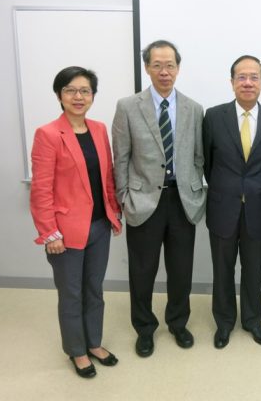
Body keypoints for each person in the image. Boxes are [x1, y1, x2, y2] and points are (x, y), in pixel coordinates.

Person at [112, 40, 205, 357]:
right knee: (142, 271)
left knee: (181, 270)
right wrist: (124, 197)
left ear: (178, 68)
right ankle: (145, 329)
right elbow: (120, 158)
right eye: (157, 65)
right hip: (143, 202)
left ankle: (178, 323)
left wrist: (195, 189)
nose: (164, 71)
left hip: (182, 201)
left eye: (170, 65)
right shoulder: (128, 106)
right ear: (147, 67)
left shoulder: (194, 108)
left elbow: (197, 156)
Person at [30, 66, 122, 378]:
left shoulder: (98, 129)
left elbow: (106, 175)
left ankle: (94, 342)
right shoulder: (48, 134)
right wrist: (48, 232)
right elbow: (41, 189)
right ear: (59, 95)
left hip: (99, 226)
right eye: (70, 90)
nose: (78, 96)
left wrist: (114, 211)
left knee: (94, 290)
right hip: (65, 232)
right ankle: (77, 351)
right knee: (71, 293)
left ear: (93, 96)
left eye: (85, 91)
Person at [203, 55, 261, 349]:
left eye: (254, 77)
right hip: (222, 205)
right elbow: (207, 163)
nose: (247, 82)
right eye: (241, 77)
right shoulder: (213, 116)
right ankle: (224, 323)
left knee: (254, 269)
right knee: (222, 269)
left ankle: (252, 321)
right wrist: (227, 188)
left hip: (258, 208)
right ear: (232, 82)